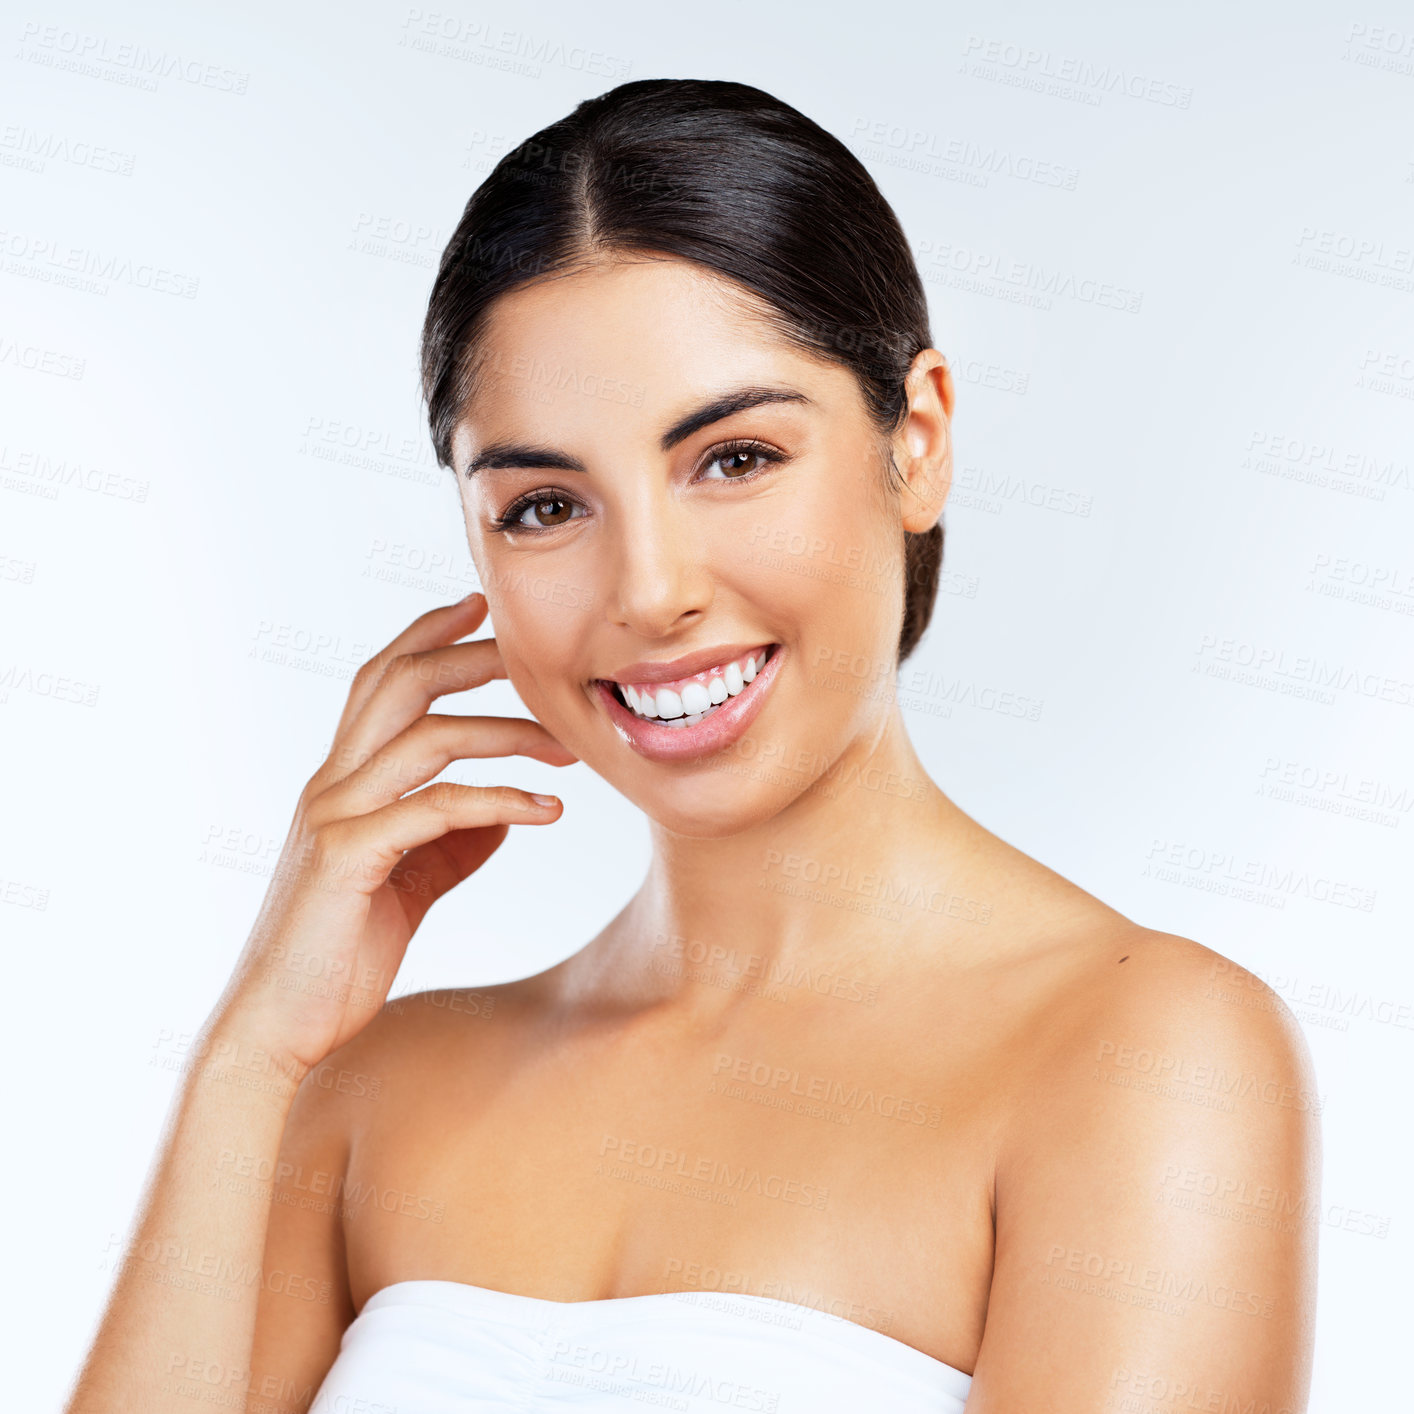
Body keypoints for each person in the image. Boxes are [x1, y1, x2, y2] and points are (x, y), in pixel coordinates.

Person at [64, 79, 1319, 1414]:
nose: (647, 589)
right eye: (546, 504)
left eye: (732, 457)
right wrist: (253, 1049)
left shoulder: (1141, 1056)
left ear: (919, 441)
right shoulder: (369, 1090)